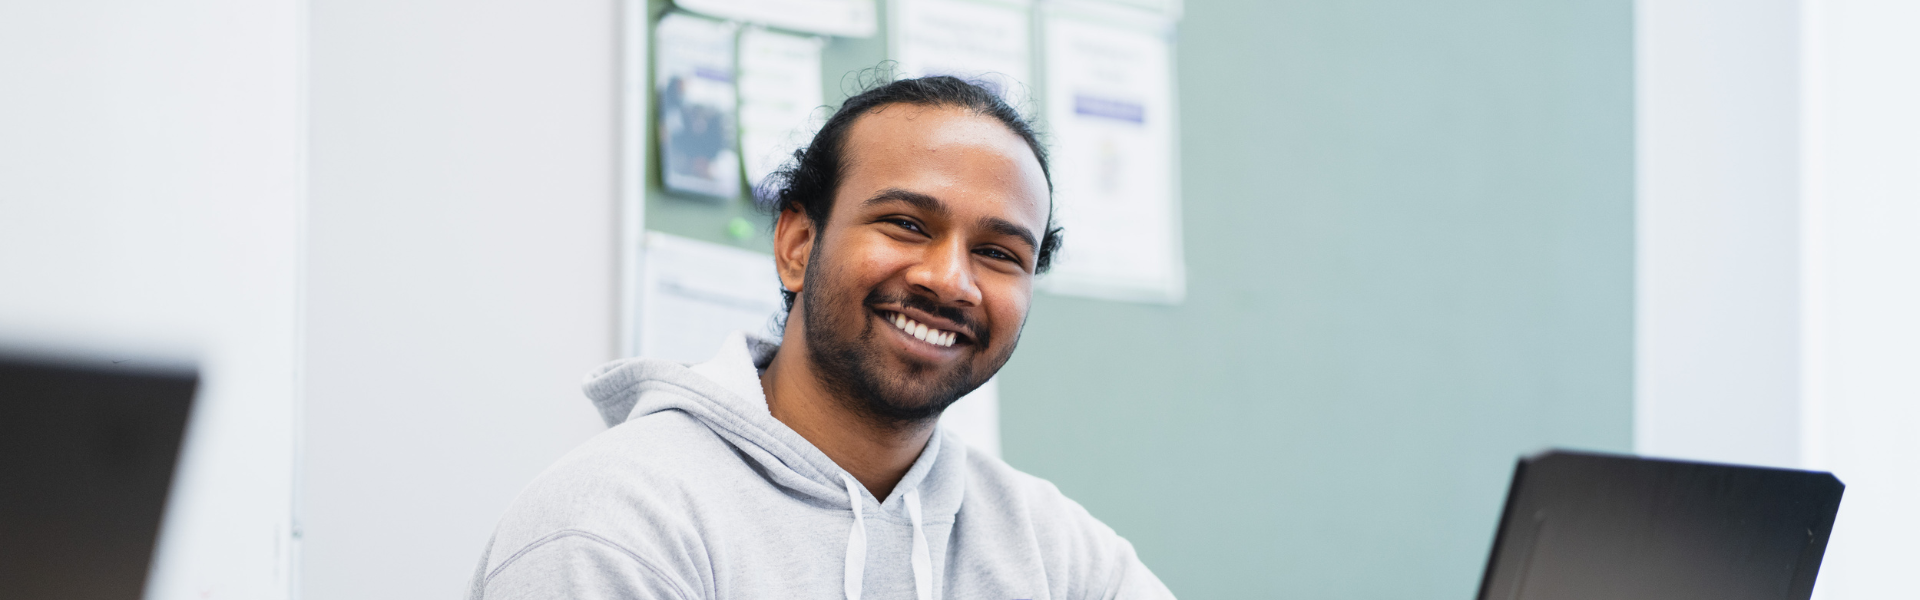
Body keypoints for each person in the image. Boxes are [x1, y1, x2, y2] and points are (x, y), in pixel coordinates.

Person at [468, 75, 1175, 600]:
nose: (951, 280)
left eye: (999, 253)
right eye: (906, 224)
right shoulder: (618, 524)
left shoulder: (1057, 554)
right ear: (798, 244)